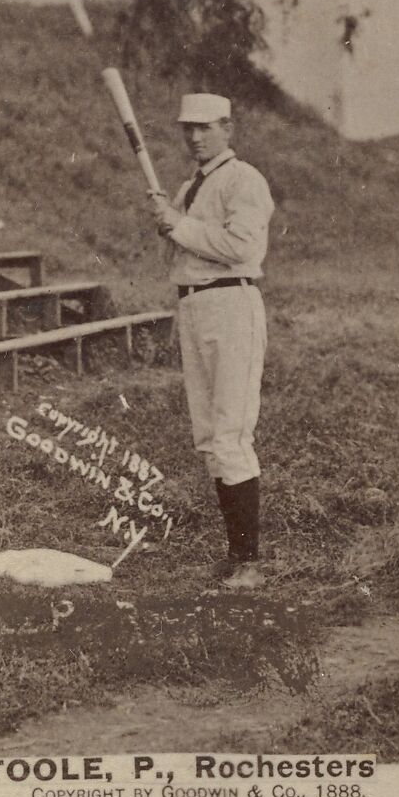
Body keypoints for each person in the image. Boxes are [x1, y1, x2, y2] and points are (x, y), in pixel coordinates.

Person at [149, 93, 274, 589]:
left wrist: (178, 224)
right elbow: (186, 247)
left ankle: (249, 563)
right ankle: (234, 557)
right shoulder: (190, 186)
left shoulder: (244, 179)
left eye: (206, 127)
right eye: (189, 128)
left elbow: (241, 246)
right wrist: (170, 219)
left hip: (232, 304)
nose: (195, 136)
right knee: (209, 437)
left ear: (228, 127)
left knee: (230, 433)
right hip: (195, 306)